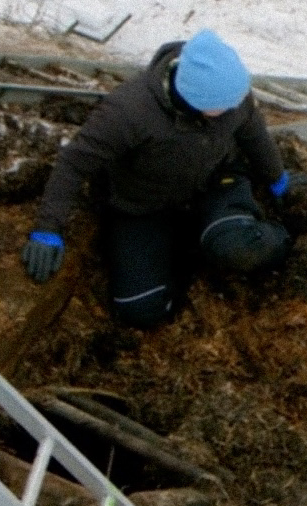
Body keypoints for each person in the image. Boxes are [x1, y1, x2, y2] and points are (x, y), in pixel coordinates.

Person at [23, 30, 293, 326]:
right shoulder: (129, 112)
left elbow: (253, 133)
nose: (234, 107)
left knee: (239, 249)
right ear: (194, 96)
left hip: (215, 186)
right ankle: (180, 267)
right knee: (139, 310)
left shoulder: (232, 95)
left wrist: (277, 178)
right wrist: (48, 228)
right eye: (223, 105)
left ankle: (278, 237)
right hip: (143, 207)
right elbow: (75, 163)